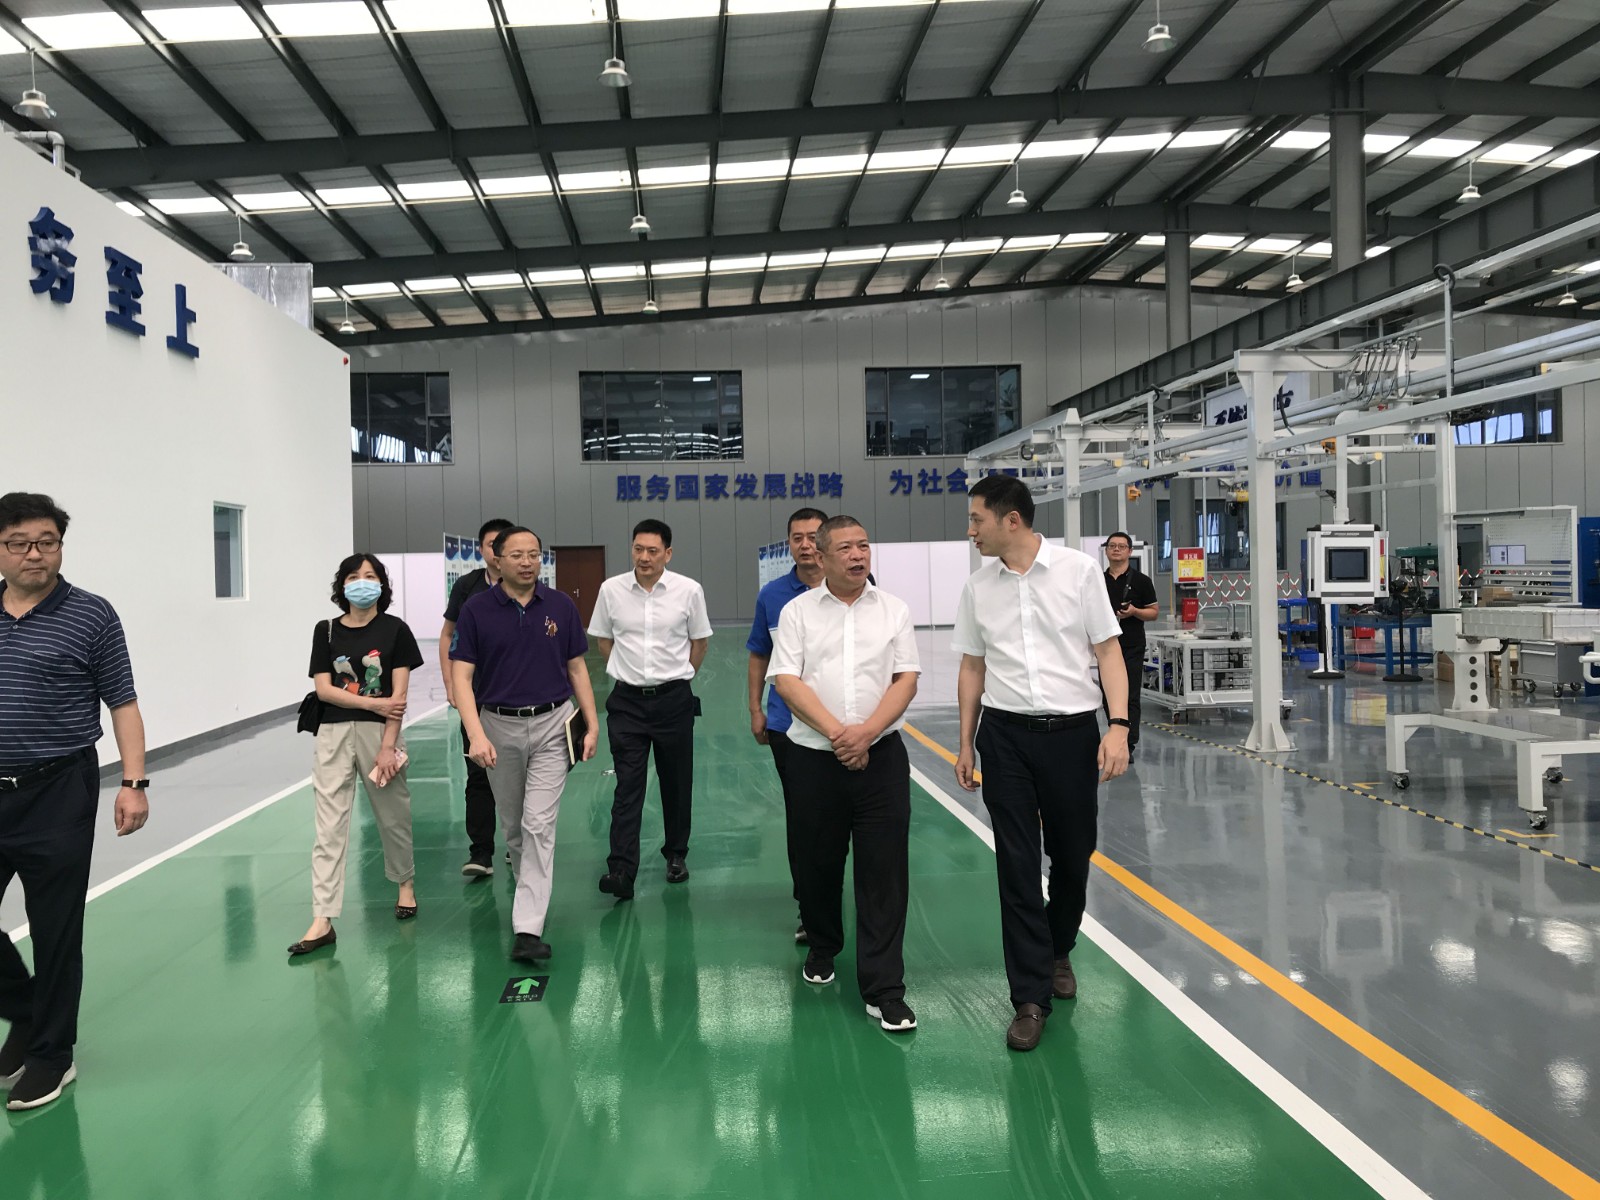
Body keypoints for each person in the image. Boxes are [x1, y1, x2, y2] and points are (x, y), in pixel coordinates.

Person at [952, 475, 1130, 1052]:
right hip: (1004, 737)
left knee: (1073, 856)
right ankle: (1029, 998)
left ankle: (1059, 948)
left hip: (1071, 735)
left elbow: (1108, 651)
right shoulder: (978, 587)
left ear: (1012, 520)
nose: (971, 530)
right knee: (1017, 866)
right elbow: (972, 666)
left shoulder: (1078, 573)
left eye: (977, 519)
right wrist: (966, 742)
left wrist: (1119, 727)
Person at [0, 493, 149, 1111]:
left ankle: (52, 1055)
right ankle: (28, 1010)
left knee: (56, 928)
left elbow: (123, 702)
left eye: (47, 542)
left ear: (61, 547)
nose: (34, 554)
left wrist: (134, 783)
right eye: (18, 543)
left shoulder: (92, 614)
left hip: (59, 789)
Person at [768, 515, 920, 1033]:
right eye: (846, 548)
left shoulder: (894, 609)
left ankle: (885, 989)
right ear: (822, 554)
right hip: (814, 758)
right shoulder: (797, 613)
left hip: (882, 759)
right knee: (817, 863)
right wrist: (839, 734)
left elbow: (906, 679)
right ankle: (823, 943)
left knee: (884, 874)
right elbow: (787, 681)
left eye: (864, 546)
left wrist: (866, 734)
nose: (858, 555)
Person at [453, 527, 599, 963]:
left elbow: (577, 668)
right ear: (497, 560)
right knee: (515, 826)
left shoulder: (560, 605)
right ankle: (529, 899)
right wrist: (476, 734)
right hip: (499, 726)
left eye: (534, 554)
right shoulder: (477, 610)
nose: (527, 562)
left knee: (538, 823)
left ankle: (528, 927)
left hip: (554, 723)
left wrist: (592, 723)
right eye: (517, 555)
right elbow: (462, 677)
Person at [290, 552, 422, 958]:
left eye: (369, 576)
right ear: (341, 585)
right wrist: (373, 703)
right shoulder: (326, 630)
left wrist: (388, 745)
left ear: (382, 584)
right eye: (352, 577)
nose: (361, 582)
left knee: (392, 815)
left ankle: (404, 884)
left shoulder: (396, 630)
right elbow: (324, 690)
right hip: (333, 734)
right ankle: (322, 918)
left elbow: (398, 697)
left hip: (380, 735)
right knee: (329, 826)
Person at [588, 519, 712, 900]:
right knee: (628, 785)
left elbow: (700, 642)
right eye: (638, 549)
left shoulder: (688, 591)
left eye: (653, 551)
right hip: (627, 703)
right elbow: (603, 640)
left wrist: (680, 677)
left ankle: (676, 854)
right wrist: (627, 673)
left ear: (667, 554)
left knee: (676, 782)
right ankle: (621, 869)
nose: (644, 557)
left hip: (674, 700)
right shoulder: (611, 590)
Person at [746, 506, 827, 945]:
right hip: (787, 726)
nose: (806, 545)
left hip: (847, 728)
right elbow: (759, 653)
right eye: (798, 538)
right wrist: (755, 708)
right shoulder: (773, 595)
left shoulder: (859, 587)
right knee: (804, 818)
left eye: (814, 536)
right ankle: (809, 908)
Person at [440, 517, 514, 877]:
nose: (496, 551)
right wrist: (451, 684)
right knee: (478, 774)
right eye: (490, 544)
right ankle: (481, 852)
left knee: (518, 777)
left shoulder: (525, 586)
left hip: (517, 698)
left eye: (503, 544)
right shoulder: (468, 587)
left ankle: (517, 845)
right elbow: (447, 635)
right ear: (482, 550)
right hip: (477, 698)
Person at [1101, 532, 1158, 757]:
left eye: (1121, 546)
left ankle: (1128, 744)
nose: (1116, 549)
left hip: (1132, 645)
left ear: (1130, 551)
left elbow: (1153, 612)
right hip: (1106, 646)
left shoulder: (1142, 581)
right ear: (1106, 550)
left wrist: (1134, 612)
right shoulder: (1098, 580)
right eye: (1112, 546)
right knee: (1108, 693)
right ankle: (1113, 735)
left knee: (1131, 695)